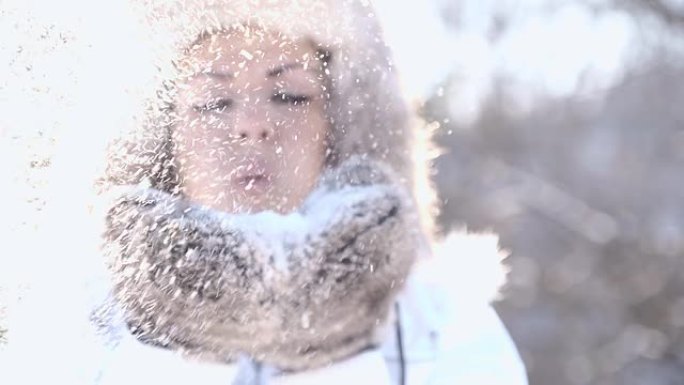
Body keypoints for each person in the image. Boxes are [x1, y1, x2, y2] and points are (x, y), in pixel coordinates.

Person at [5, 1, 528, 384]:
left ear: (341, 127)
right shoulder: (80, 323)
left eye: (288, 95)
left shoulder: (439, 321)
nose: (252, 125)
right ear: (163, 134)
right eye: (214, 101)